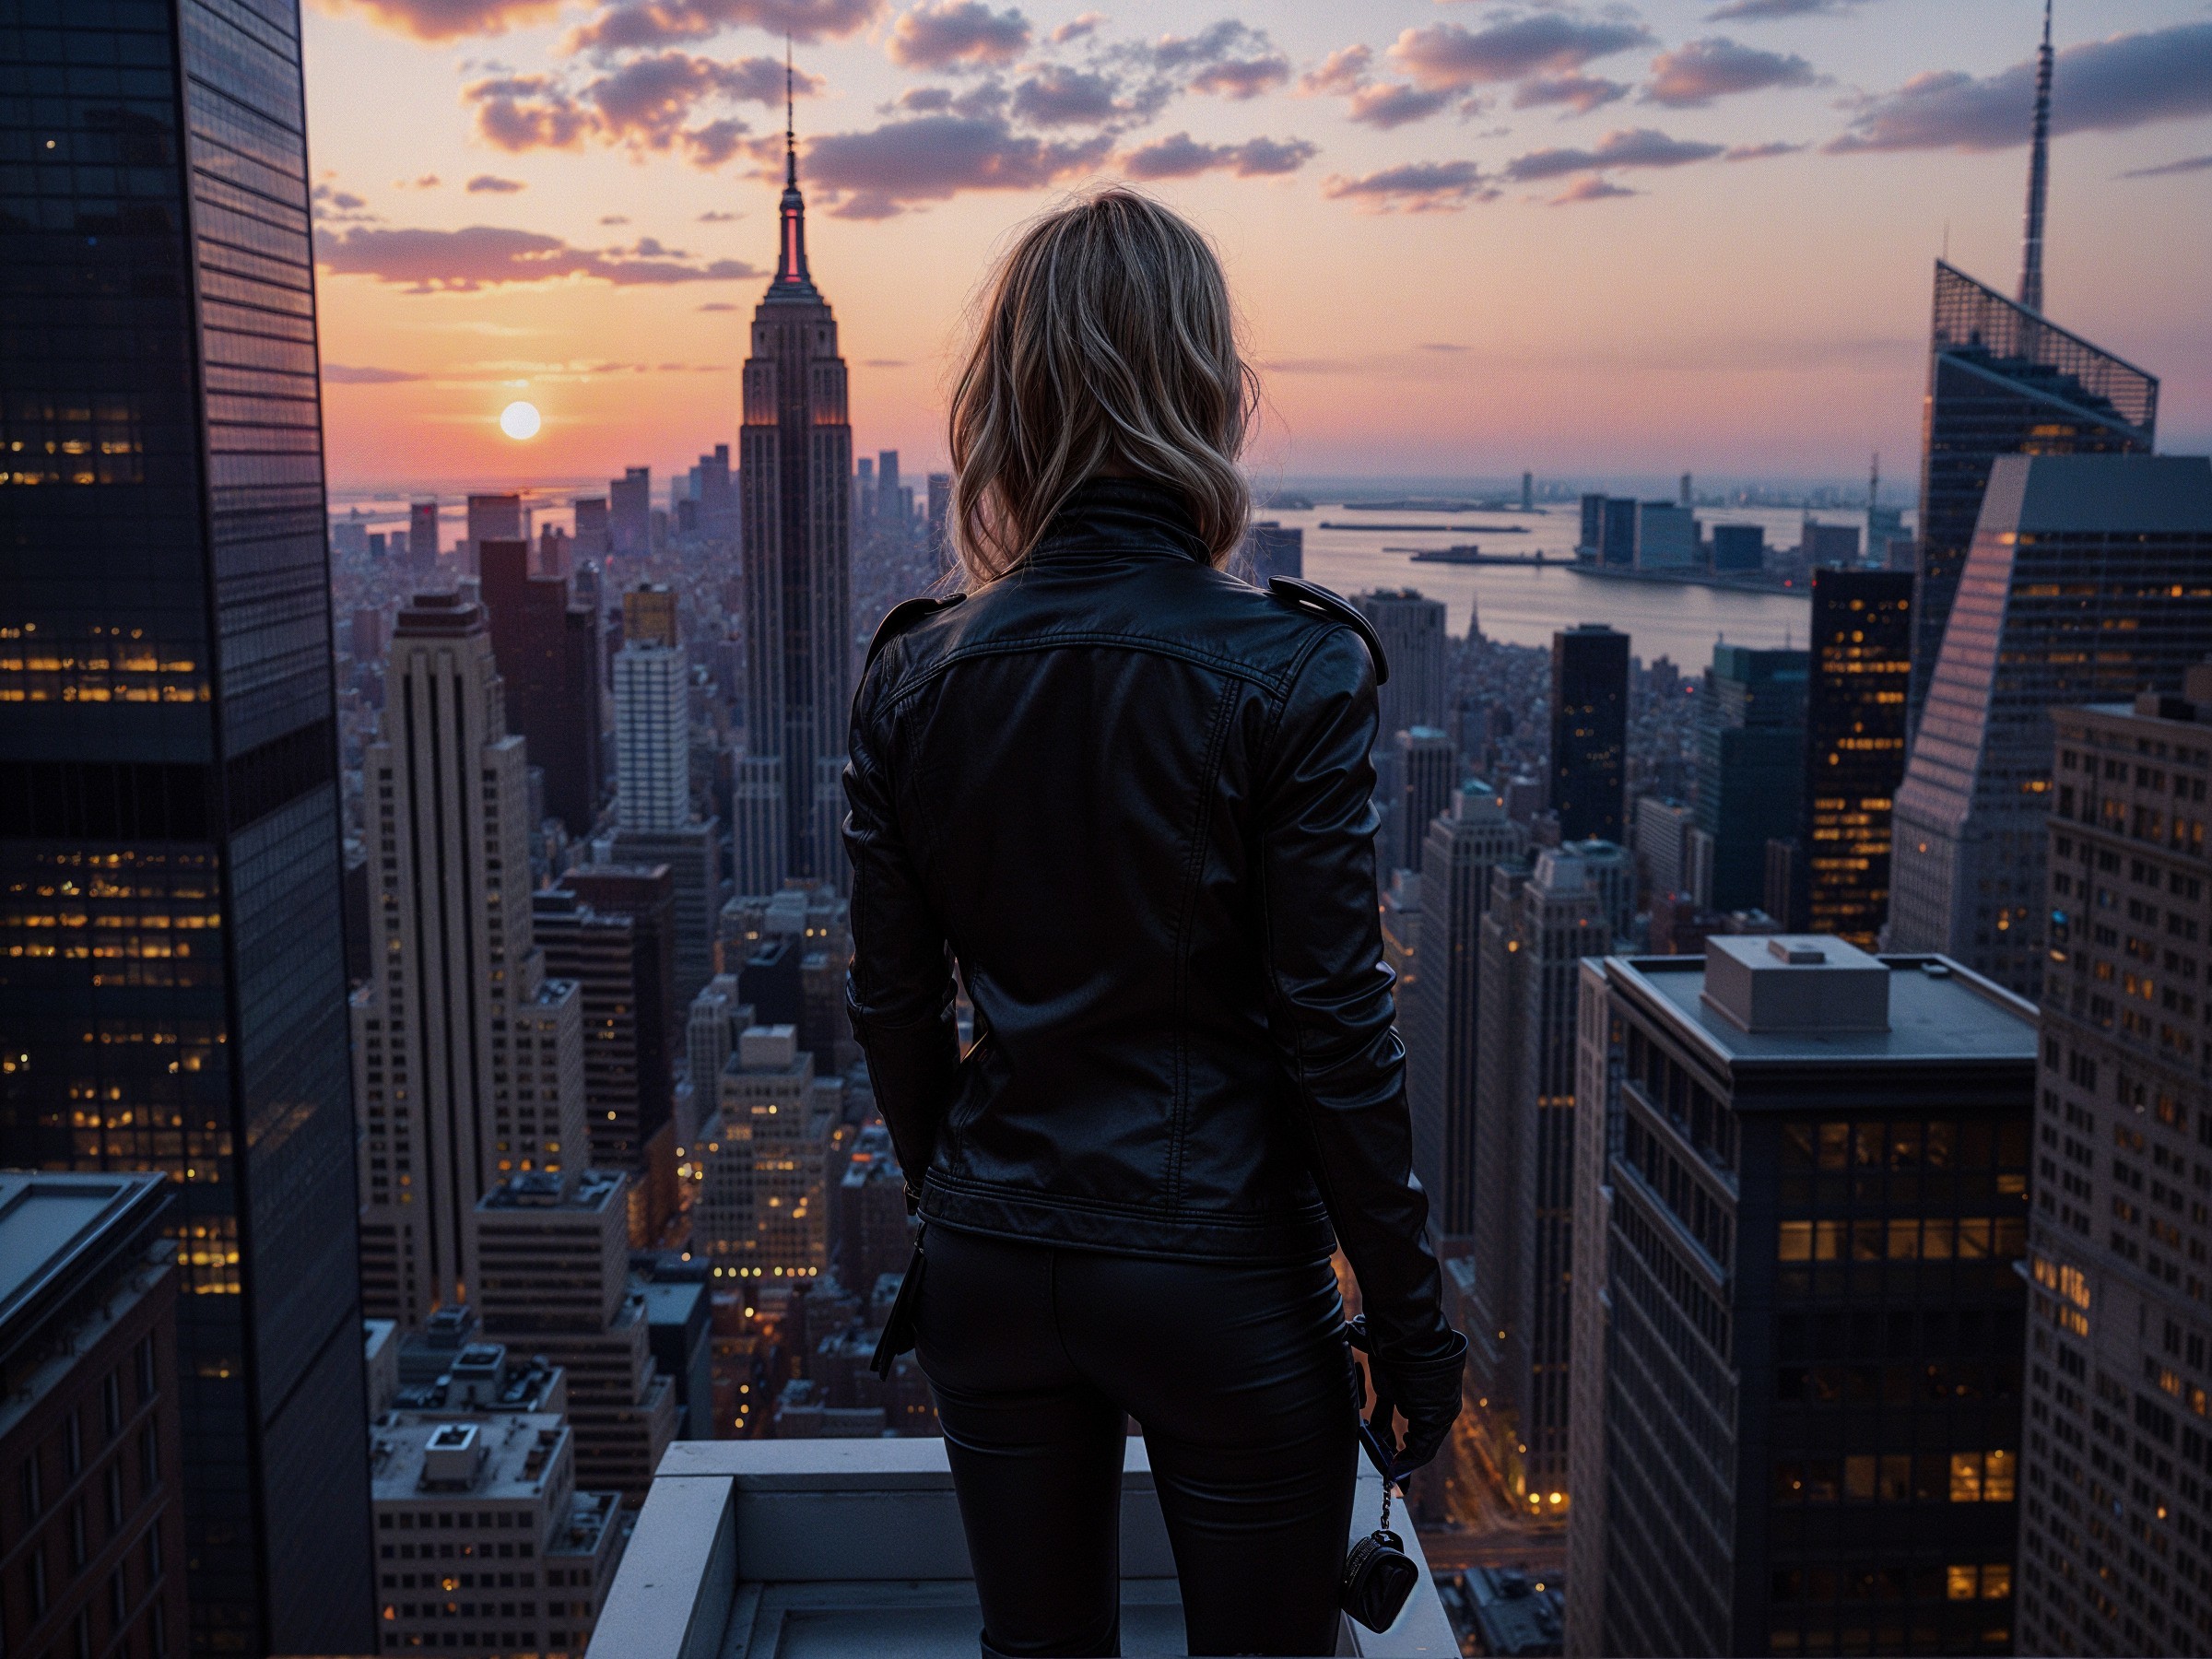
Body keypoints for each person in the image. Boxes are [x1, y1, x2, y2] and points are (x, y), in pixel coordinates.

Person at [843, 188, 1465, 1659]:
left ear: (1009, 400)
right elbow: (1336, 1033)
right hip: (1219, 1273)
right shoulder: (1292, 670)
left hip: (991, 1266)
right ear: (1204, 388)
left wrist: (980, 1192)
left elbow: (889, 1007)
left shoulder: (913, 676)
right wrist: (1411, 1320)